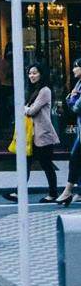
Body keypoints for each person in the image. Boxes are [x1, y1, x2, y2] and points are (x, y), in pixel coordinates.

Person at [3, 63, 60, 203]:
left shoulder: (45, 90)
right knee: (27, 163)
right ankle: (19, 192)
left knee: (46, 165)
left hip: (42, 135)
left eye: (34, 73)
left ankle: (53, 194)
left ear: (41, 74)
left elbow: (32, 111)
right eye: (30, 73)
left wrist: (22, 108)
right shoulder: (34, 90)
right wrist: (25, 108)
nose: (31, 76)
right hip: (32, 136)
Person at [58, 58, 81, 206]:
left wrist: (72, 98)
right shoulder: (79, 84)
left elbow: (76, 107)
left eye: (76, 67)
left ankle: (68, 191)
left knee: (74, 158)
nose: (73, 69)